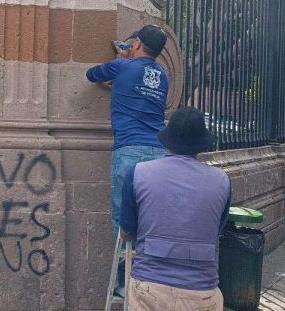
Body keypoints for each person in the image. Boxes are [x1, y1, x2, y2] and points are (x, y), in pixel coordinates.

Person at [120, 107, 231, 311]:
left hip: (150, 286)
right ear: (201, 145)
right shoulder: (222, 181)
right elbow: (215, 232)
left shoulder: (137, 173)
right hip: (202, 291)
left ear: (168, 140)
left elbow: (127, 232)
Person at [86, 24, 170, 238]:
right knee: (152, 216)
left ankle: (125, 269)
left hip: (129, 149)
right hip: (160, 152)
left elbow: (92, 75)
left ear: (138, 43)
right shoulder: (163, 76)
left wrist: (123, 59)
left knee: (123, 218)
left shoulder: (122, 66)